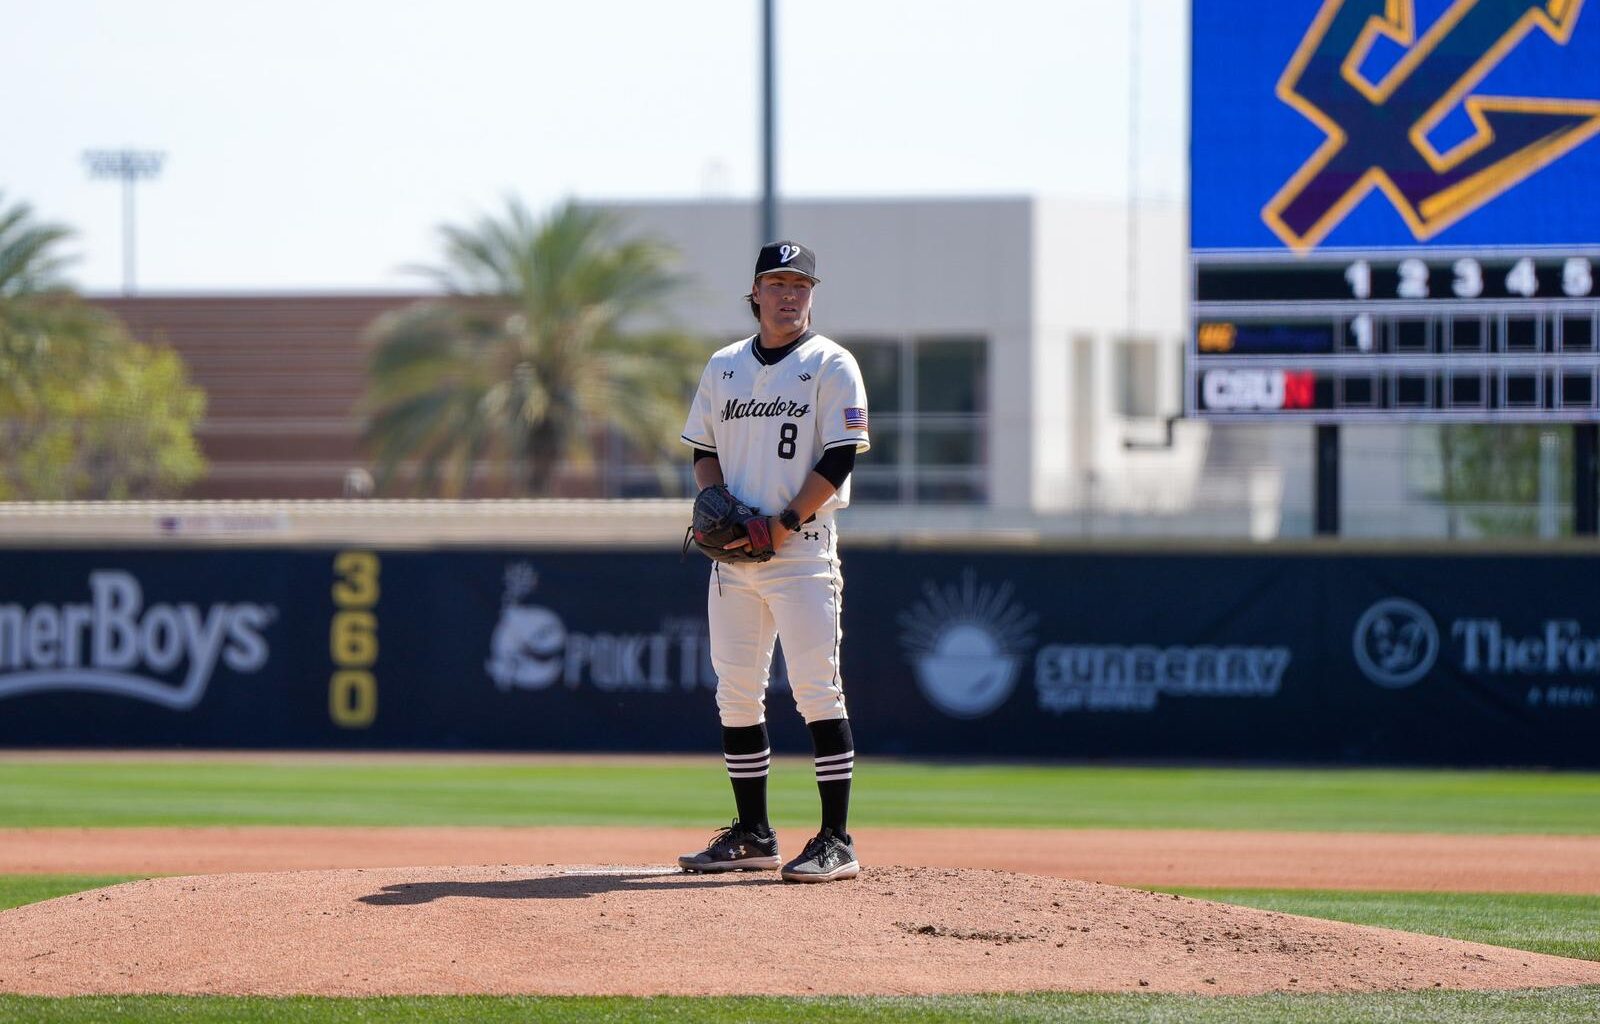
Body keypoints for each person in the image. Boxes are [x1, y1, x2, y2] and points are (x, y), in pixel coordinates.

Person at [677, 240, 871, 883]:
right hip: (734, 559)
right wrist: (715, 502)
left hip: (803, 552)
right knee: (735, 693)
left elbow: (840, 456)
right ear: (755, 292)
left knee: (818, 691)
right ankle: (754, 834)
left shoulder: (831, 363)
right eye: (779, 283)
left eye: (802, 284)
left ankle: (836, 839)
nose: (791, 295)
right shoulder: (724, 365)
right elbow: (704, 448)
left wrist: (783, 523)